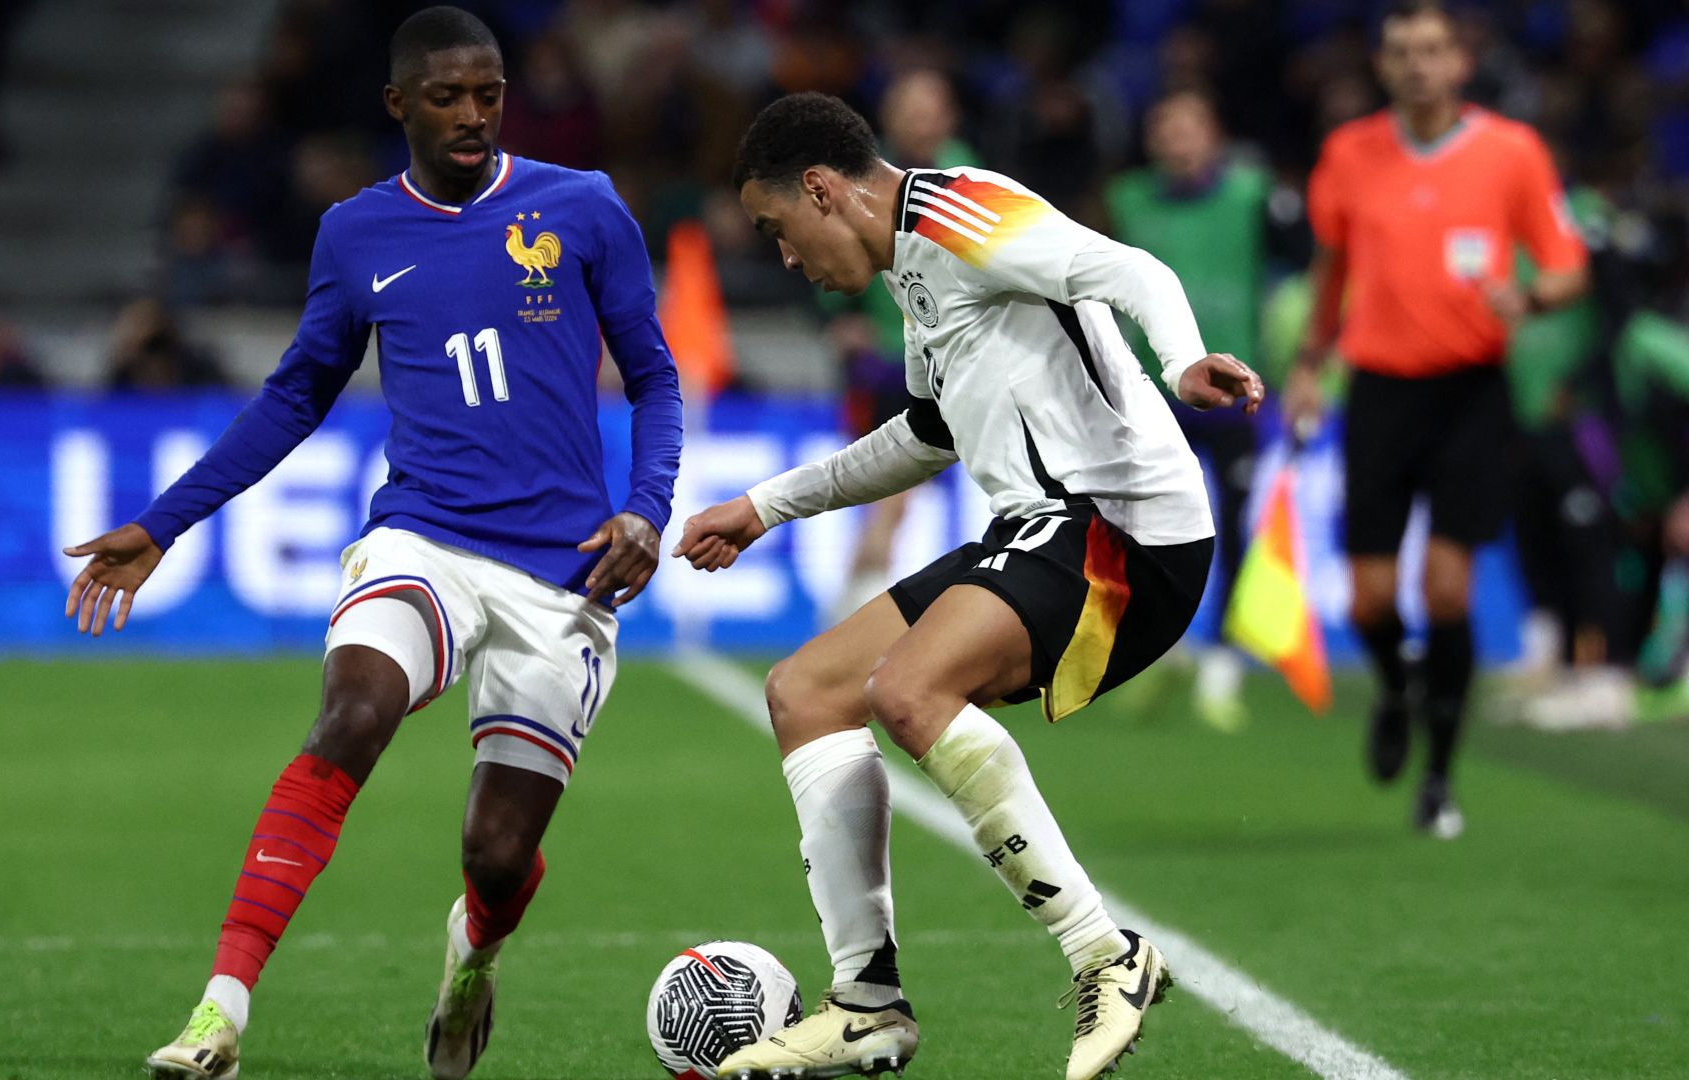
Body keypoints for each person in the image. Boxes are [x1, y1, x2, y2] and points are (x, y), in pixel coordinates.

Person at [60, 9, 682, 1079]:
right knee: (351, 713)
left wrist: (649, 507)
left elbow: (658, 376)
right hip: (424, 536)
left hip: (563, 570)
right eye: (448, 96)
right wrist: (164, 523)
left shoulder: (581, 208)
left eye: (488, 93)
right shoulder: (355, 233)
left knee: (497, 856)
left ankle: (472, 958)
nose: (474, 115)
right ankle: (221, 1014)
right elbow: (296, 393)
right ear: (399, 104)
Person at [677, 92, 1262, 1080]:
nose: (785, 257)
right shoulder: (912, 271)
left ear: (821, 190)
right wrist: (766, 504)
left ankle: (1103, 958)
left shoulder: (961, 212)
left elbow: (1131, 268)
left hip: (1121, 533)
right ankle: (866, 1003)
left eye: (779, 230)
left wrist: (1181, 359)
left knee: (908, 689)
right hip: (1039, 529)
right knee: (806, 691)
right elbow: (928, 435)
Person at [1286, 0, 1587, 838]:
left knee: (1445, 587)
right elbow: (1331, 270)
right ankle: (1394, 684)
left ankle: (1440, 778)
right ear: (1383, 66)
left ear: (1461, 62)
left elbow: (1567, 267)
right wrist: (1310, 365)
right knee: (1374, 598)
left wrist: (1527, 293)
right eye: (1401, 51)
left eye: (1432, 50)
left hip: (1470, 393)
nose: (1417, 64)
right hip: (1380, 390)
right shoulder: (1350, 153)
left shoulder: (1511, 153)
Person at [1105, 89, 1270, 729]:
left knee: (1235, 526)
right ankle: (1156, 650)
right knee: (1136, 526)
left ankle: (1222, 667)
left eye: (1189, 126)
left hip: (1235, 388)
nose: (1178, 139)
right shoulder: (1126, 202)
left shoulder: (1253, 198)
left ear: (1215, 135)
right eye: (1165, 126)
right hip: (1150, 392)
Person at [823, 69, 980, 623]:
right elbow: (832, 248)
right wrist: (842, 317)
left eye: (927, 107)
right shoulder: (864, 176)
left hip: (956, 360)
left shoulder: (972, 178)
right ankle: (856, 611)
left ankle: (852, 610)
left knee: (893, 501)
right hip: (887, 363)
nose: (918, 119)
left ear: (948, 116)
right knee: (888, 498)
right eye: (907, 106)